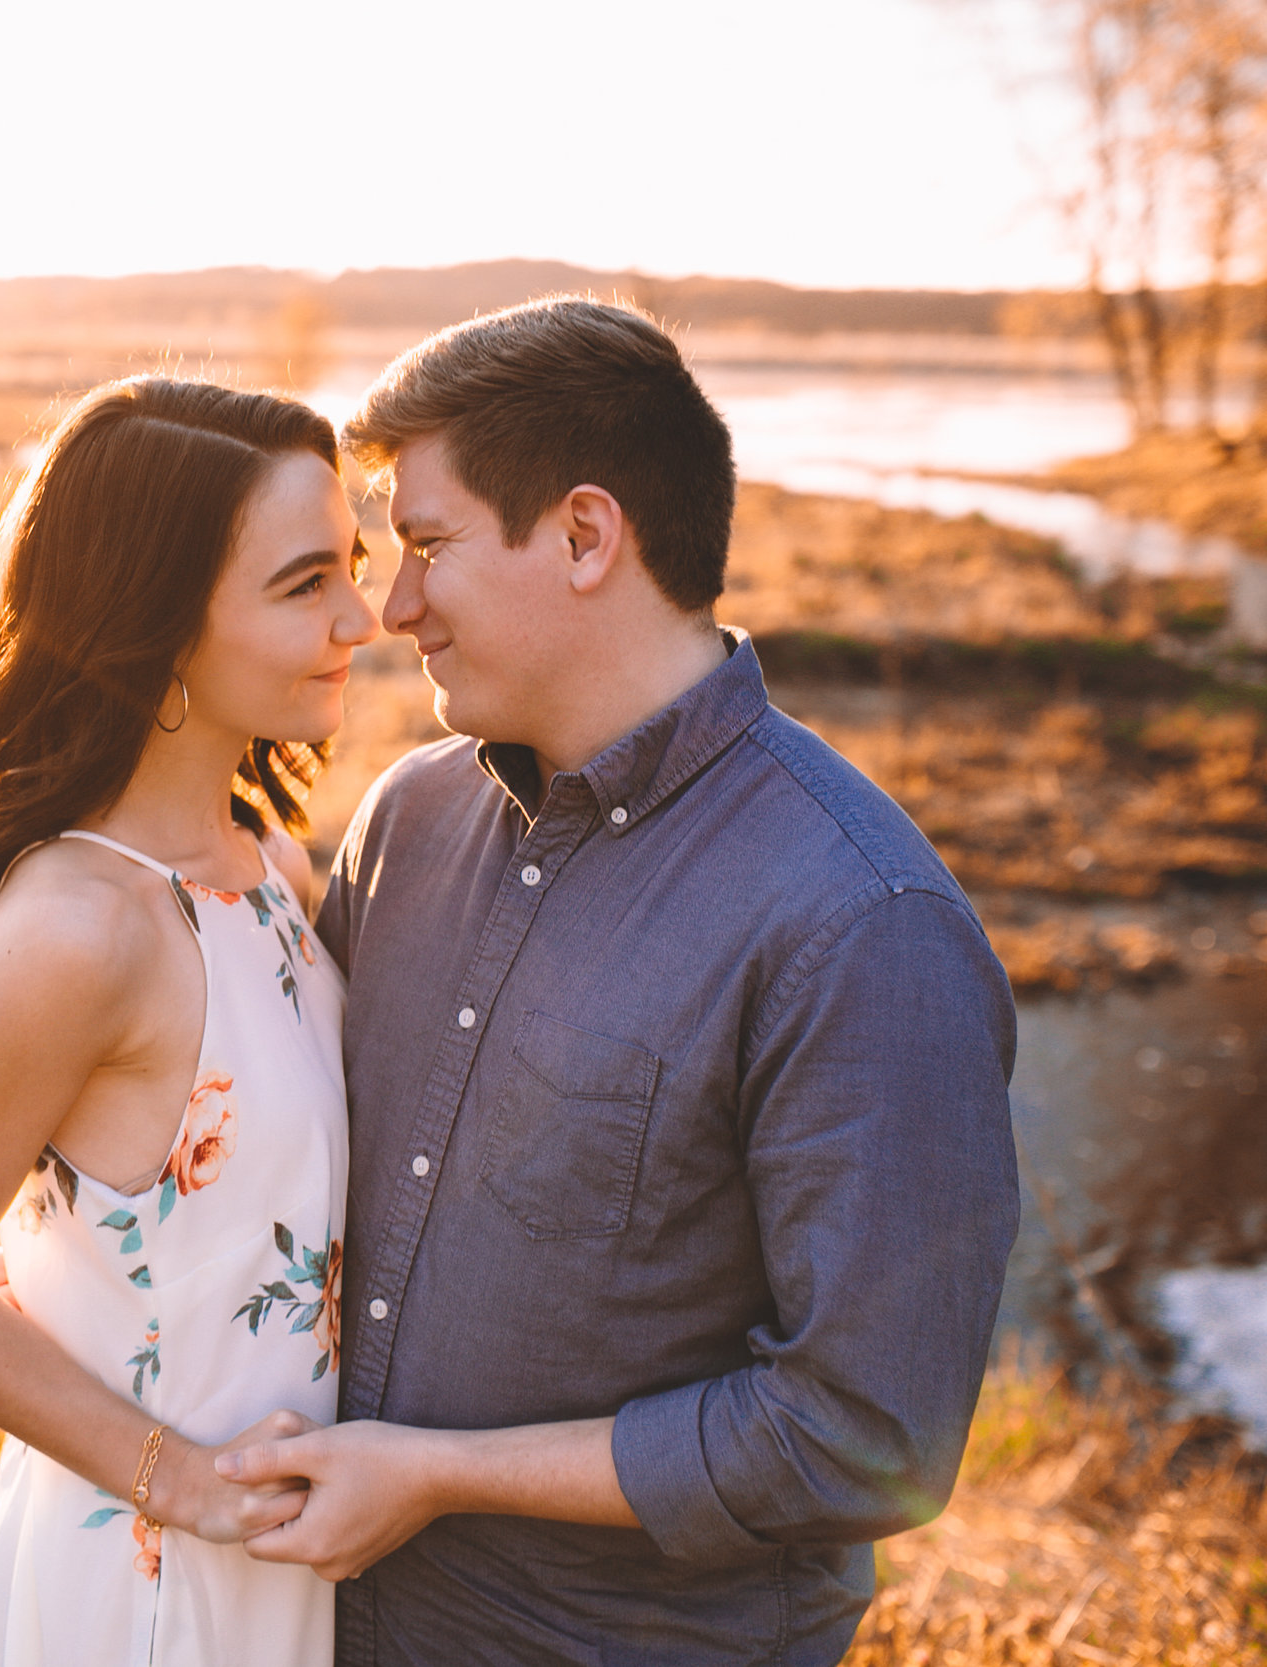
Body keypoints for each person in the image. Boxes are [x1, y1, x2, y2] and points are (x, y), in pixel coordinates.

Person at [217, 297, 1022, 1665]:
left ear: (587, 536)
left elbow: (865, 1438)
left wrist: (437, 1472)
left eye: (427, 546)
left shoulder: (862, 923)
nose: (393, 606)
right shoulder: (409, 821)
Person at [0, 376, 384, 1666]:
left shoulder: (270, 871)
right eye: (304, 583)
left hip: (288, 1562)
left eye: (353, 568)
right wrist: (181, 1479)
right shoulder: (80, 930)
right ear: (156, 625)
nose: (362, 619)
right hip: (151, 1583)